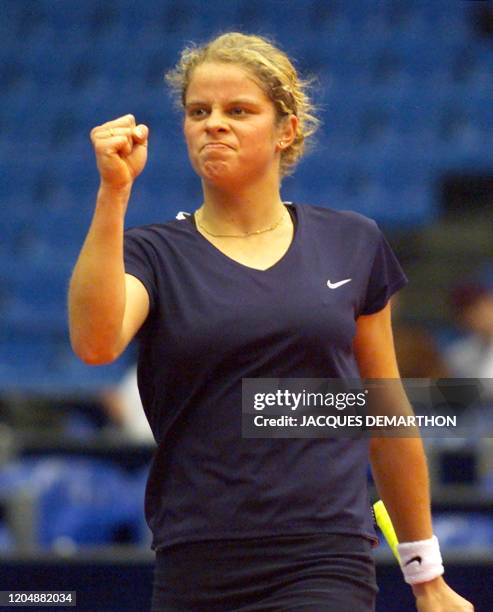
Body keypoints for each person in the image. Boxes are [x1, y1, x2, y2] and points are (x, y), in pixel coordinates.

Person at [68, 33, 473, 612]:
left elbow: (388, 412)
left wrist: (425, 574)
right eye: (198, 111)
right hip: (192, 557)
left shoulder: (352, 241)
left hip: (324, 556)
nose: (214, 124)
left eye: (238, 111)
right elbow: (95, 343)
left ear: (286, 129)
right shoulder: (150, 253)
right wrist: (113, 194)